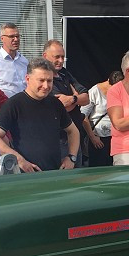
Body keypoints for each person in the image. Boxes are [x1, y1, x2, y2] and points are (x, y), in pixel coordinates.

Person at [0, 58, 79, 172]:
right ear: (27, 79)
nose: (46, 86)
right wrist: (19, 160)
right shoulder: (14, 104)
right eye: (41, 80)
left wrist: (71, 158)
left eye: (49, 81)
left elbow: (73, 131)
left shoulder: (55, 103)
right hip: (25, 177)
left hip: (55, 173)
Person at [43, 39, 90, 167]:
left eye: (63, 57)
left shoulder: (64, 73)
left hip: (75, 137)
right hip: (60, 139)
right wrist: (75, 96)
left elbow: (86, 97)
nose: (61, 60)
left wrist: (73, 99)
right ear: (45, 56)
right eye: (56, 57)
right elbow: (61, 107)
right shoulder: (45, 81)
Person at [81, 70, 123, 167]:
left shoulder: (121, 91)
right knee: (98, 168)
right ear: (108, 81)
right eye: (112, 88)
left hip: (115, 137)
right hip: (98, 138)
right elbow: (83, 116)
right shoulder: (94, 92)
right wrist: (92, 137)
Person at [0, 22, 28, 97]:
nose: (16, 39)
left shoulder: (24, 60)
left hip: (24, 103)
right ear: (2, 39)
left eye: (17, 36)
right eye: (11, 36)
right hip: (6, 104)